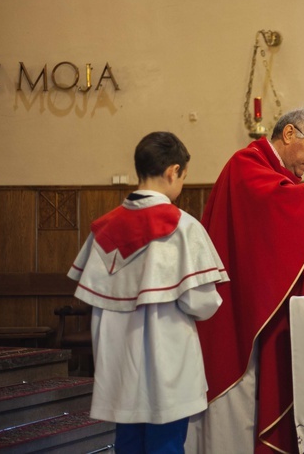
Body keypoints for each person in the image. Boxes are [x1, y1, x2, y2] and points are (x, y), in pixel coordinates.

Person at [188, 109, 304, 453]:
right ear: (289, 133)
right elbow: (276, 202)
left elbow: (284, 213)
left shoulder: (274, 173)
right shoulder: (246, 164)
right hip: (235, 308)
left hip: (259, 301)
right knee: (236, 409)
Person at [67, 132, 227, 453]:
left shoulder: (104, 228)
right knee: (165, 444)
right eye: (182, 177)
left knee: (127, 443)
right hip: (167, 361)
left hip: (119, 362)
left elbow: (94, 294)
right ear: (173, 171)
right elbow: (202, 303)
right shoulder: (183, 226)